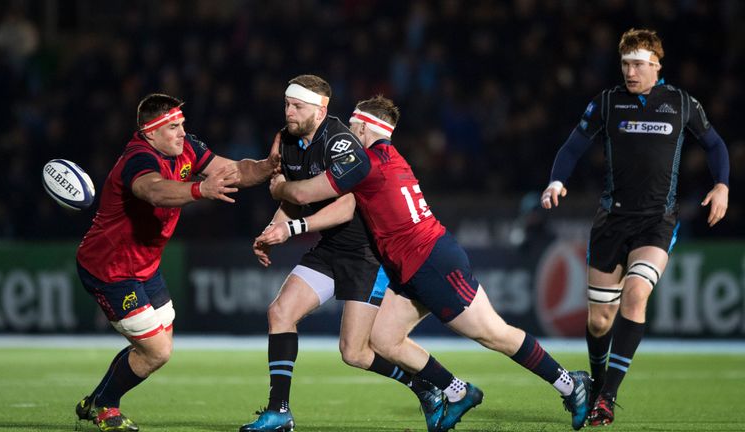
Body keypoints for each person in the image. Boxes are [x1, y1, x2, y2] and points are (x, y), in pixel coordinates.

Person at [265, 95, 593, 431]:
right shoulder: (384, 157)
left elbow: (306, 193)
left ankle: (569, 383)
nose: (347, 134)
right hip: (410, 264)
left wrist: (280, 186)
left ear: (363, 127)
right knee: (383, 340)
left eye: (352, 127)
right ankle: (455, 392)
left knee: (493, 334)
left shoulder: (363, 164)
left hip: (432, 261)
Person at [540, 28, 729, 426]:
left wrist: (722, 185)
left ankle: (606, 396)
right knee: (598, 321)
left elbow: (714, 144)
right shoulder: (607, 103)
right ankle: (594, 380)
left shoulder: (680, 103)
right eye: (625, 64)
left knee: (637, 294)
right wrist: (557, 180)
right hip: (612, 220)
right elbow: (573, 145)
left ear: (656, 66)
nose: (630, 72)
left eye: (638, 65)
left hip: (657, 222)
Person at [243, 75, 446, 432]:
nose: (289, 112)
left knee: (354, 353)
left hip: (365, 254)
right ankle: (279, 411)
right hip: (330, 248)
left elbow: (348, 207)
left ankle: (424, 386)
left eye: (297, 106)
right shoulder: (289, 140)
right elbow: (290, 198)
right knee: (280, 312)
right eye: (287, 105)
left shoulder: (342, 143)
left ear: (320, 109)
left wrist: (292, 228)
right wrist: (273, 228)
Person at [74, 93, 280, 432]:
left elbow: (233, 170)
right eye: (173, 127)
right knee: (157, 352)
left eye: (182, 124)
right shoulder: (138, 158)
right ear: (150, 133)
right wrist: (200, 190)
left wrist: (266, 166)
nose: (183, 133)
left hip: (146, 266)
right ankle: (105, 406)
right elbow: (154, 190)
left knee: (157, 343)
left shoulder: (186, 148)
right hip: (110, 269)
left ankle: (95, 399)